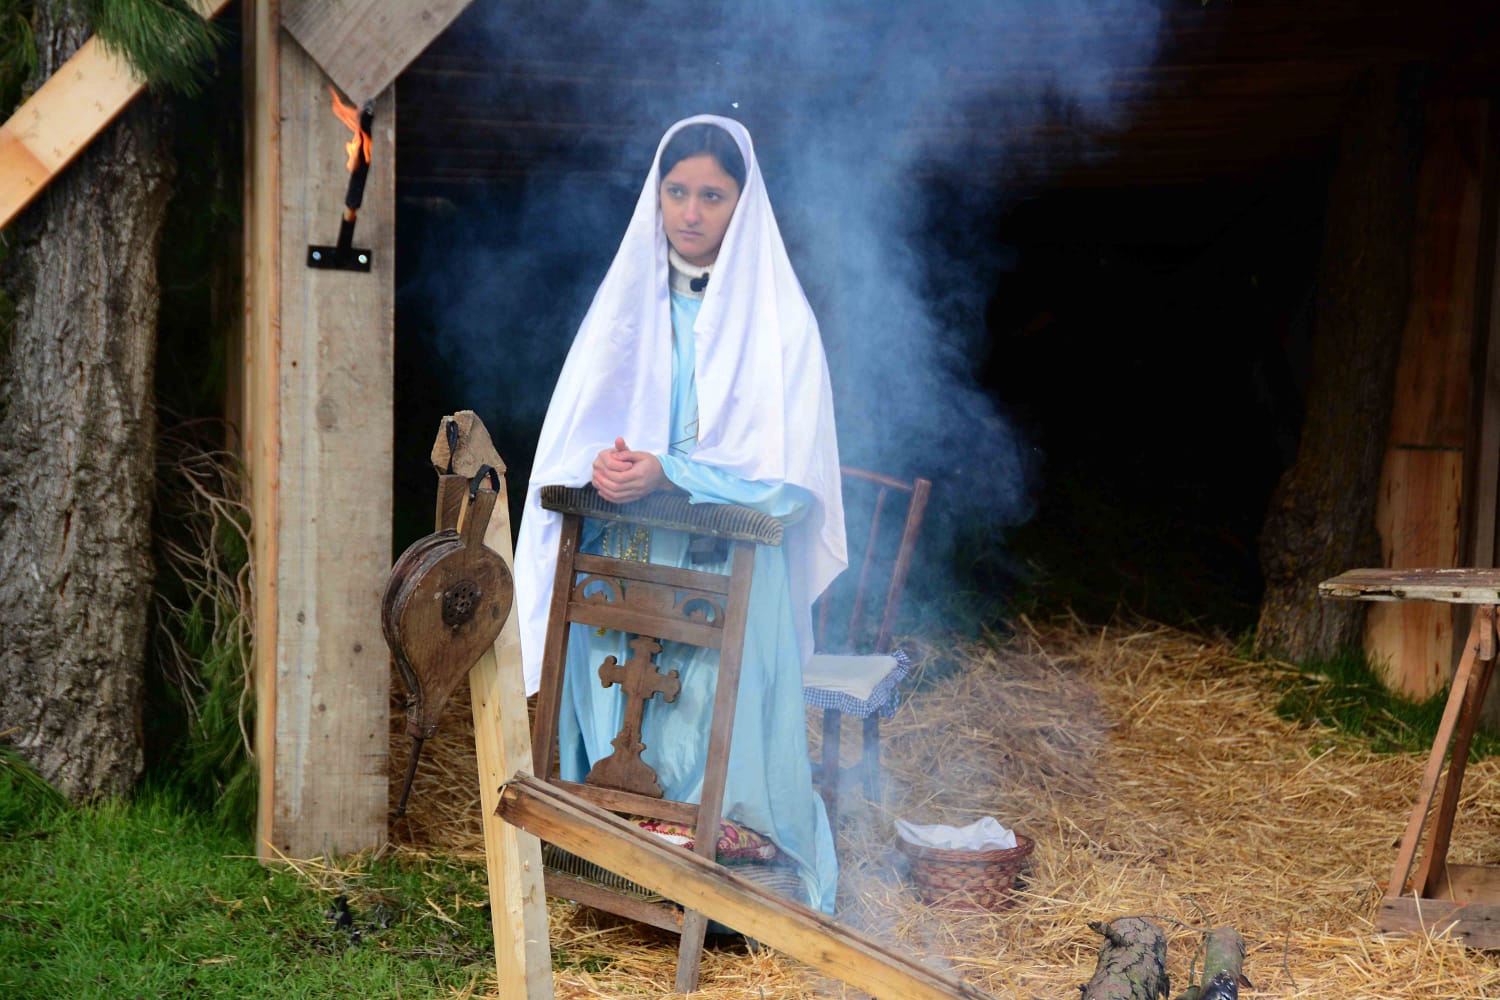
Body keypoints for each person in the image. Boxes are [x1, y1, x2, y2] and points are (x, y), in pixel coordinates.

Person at [512, 115, 847, 914]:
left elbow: (792, 485)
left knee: (703, 701)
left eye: (712, 195)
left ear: (742, 204)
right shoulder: (625, 308)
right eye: (676, 191)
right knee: (614, 676)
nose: (691, 212)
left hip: (732, 562)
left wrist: (675, 471)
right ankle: (617, 848)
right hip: (630, 551)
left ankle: (725, 878)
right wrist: (600, 463)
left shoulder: (782, 326)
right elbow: (577, 435)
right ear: (655, 197)